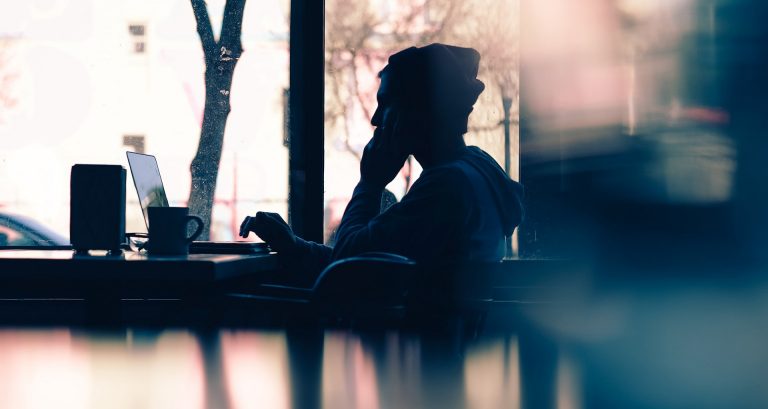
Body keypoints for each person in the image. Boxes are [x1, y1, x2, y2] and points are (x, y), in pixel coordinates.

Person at [240, 43, 524, 284]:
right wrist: (294, 246)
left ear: (420, 110)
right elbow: (367, 256)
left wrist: (370, 184)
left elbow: (346, 266)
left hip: (408, 344)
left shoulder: (445, 186)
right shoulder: (475, 170)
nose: (376, 119)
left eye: (386, 103)